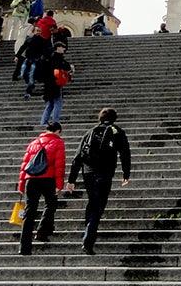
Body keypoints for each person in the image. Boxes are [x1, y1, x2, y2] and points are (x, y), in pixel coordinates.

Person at [67, 107, 131, 254]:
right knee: (98, 205)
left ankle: (88, 228)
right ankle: (88, 240)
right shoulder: (117, 132)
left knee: (92, 200)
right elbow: (125, 154)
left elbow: (78, 157)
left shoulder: (90, 131)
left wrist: (72, 179)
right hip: (105, 172)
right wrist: (126, 173)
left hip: (88, 172)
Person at [17, 121, 66, 255]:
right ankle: (42, 231)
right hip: (48, 178)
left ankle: (24, 247)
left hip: (30, 180)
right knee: (50, 204)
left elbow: (25, 164)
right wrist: (59, 185)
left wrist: (21, 184)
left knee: (29, 212)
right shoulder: (58, 143)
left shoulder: (33, 143)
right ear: (57, 131)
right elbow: (59, 165)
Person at [39, 42, 73, 126]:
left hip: (48, 83)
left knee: (50, 103)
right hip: (55, 82)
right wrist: (70, 69)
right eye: (62, 48)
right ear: (58, 48)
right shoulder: (57, 57)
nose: (64, 49)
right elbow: (63, 66)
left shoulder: (49, 57)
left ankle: (43, 121)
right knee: (58, 102)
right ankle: (56, 121)